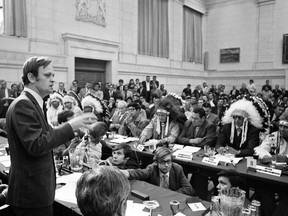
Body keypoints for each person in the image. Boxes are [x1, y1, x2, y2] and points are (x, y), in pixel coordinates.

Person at [5, 56, 97, 216]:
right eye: (48, 75)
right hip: (31, 195)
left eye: (53, 75)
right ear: (31, 77)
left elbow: (48, 134)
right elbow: (36, 145)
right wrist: (72, 125)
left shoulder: (33, 103)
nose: (53, 80)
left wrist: (76, 129)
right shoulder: (23, 104)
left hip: (36, 191)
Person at [121, 147, 194, 196]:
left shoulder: (177, 168)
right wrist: (128, 173)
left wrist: (169, 193)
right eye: (162, 162)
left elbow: (189, 189)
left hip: (172, 198)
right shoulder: (152, 168)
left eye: (168, 161)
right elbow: (141, 173)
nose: (166, 165)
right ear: (156, 162)